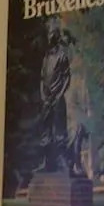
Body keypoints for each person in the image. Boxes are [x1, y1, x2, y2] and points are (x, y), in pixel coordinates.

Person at [35, 16, 73, 172]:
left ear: (57, 37)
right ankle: (47, 162)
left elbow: (67, 77)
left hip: (58, 99)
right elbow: (42, 78)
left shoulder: (62, 56)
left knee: (60, 130)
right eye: (49, 34)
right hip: (46, 99)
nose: (50, 37)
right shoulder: (46, 58)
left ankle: (62, 160)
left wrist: (59, 94)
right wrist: (43, 95)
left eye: (53, 34)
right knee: (45, 131)